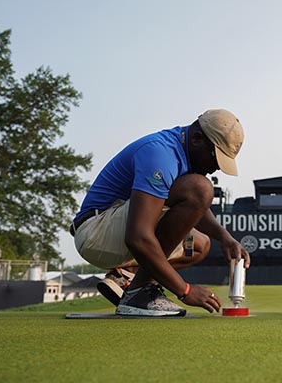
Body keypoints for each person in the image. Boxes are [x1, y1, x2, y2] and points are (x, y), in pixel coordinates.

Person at [71, 109, 250, 317]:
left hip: (113, 232)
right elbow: (138, 237)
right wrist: (185, 290)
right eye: (215, 158)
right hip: (95, 232)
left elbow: (195, 207)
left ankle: (133, 284)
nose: (216, 168)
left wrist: (224, 237)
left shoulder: (182, 153)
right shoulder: (161, 154)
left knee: (199, 245)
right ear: (197, 139)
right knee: (201, 188)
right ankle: (139, 291)